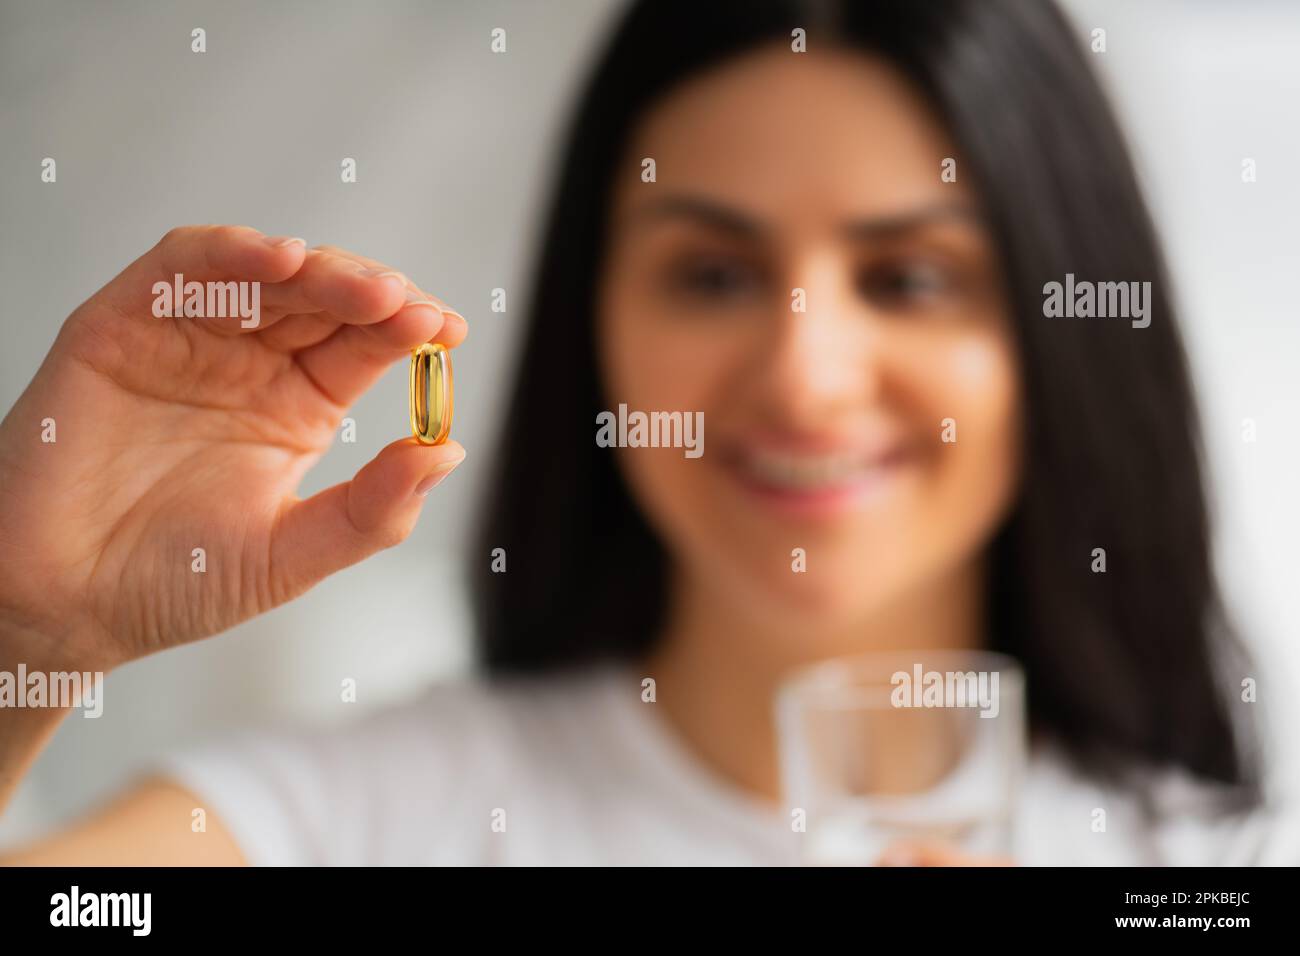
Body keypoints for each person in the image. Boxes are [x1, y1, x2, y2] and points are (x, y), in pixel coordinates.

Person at [0, 0, 1294, 865]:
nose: (805, 377)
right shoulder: (356, 820)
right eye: (714, 276)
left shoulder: (1213, 867)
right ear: (594, 319)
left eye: (909, 279)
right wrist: (29, 638)